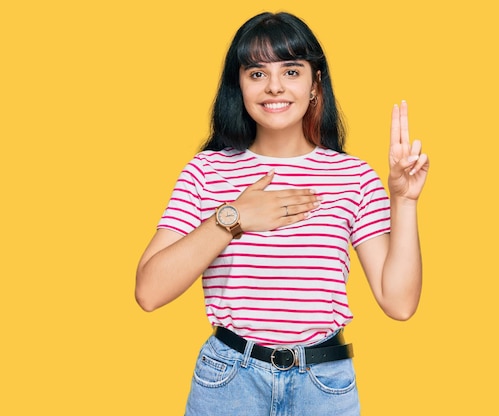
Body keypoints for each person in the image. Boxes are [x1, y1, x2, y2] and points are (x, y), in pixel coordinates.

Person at [135, 11, 429, 416]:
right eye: (256, 73)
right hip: (229, 381)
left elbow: (399, 303)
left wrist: (405, 201)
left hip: (324, 385)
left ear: (315, 83)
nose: (274, 86)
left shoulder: (353, 176)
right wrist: (232, 218)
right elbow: (149, 292)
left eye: (291, 71)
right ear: (238, 85)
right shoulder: (207, 171)